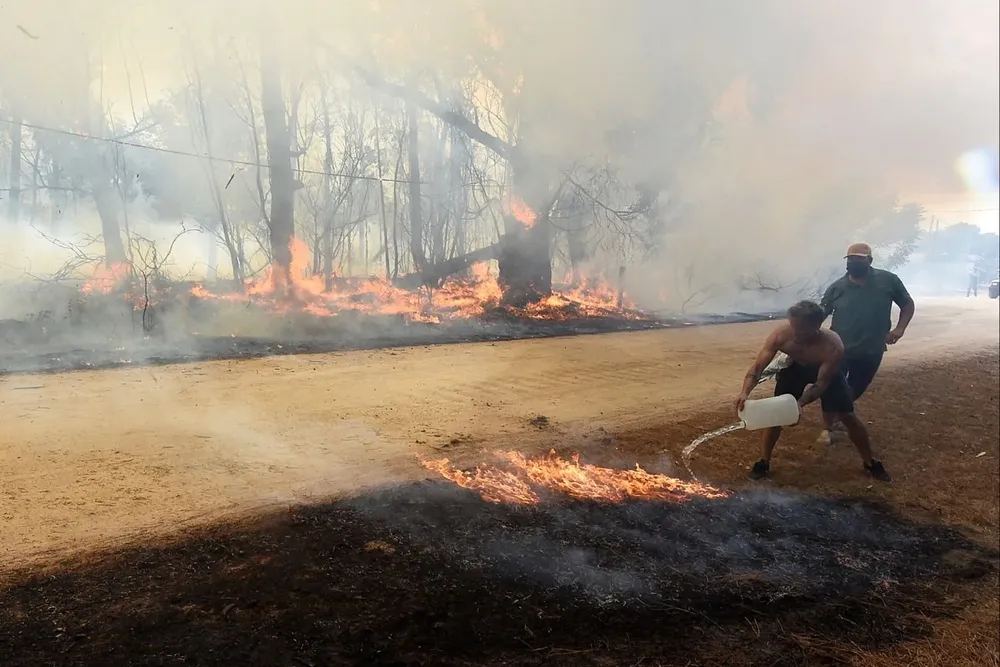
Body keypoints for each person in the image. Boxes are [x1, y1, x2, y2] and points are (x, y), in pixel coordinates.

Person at [736, 299, 892, 482]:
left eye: (802, 329)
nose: (796, 333)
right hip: (794, 369)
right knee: (775, 415)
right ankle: (763, 462)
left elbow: (821, 383)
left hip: (827, 374)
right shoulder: (780, 336)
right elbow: (757, 369)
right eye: (793, 326)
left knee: (847, 415)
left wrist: (799, 404)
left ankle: (870, 462)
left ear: (817, 325)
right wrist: (744, 392)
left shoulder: (832, 346)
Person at [818, 243, 914, 444]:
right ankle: (828, 428)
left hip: (872, 348)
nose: (854, 263)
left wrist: (899, 329)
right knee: (830, 385)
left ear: (869, 260)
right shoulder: (837, 288)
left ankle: (839, 415)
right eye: (851, 259)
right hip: (839, 348)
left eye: (859, 259)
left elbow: (907, 304)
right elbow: (819, 315)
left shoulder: (888, 281)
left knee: (858, 386)